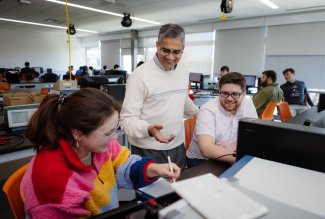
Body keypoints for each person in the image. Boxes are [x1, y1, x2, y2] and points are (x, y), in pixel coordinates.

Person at [21, 88, 180, 218]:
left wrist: (154, 169)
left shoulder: (99, 145)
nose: (114, 138)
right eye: (107, 133)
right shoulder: (52, 181)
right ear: (78, 134)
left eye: (114, 129)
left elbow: (124, 164)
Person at [120, 23, 199, 169]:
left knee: (178, 189)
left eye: (176, 52)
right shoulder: (139, 76)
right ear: (157, 45)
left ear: (183, 49)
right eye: (165, 50)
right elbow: (126, 120)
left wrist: (201, 114)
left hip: (177, 146)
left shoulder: (182, 69)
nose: (170, 57)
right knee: (151, 192)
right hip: (147, 149)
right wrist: (149, 129)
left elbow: (181, 98)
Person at [186, 72, 258, 167]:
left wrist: (234, 145)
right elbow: (207, 148)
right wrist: (239, 161)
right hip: (202, 160)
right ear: (219, 91)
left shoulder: (248, 104)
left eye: (235, 94)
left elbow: (254, 136)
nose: (229, 98)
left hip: (233, 153)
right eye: (225, 93)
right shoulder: (207, 110)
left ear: (244, 94)